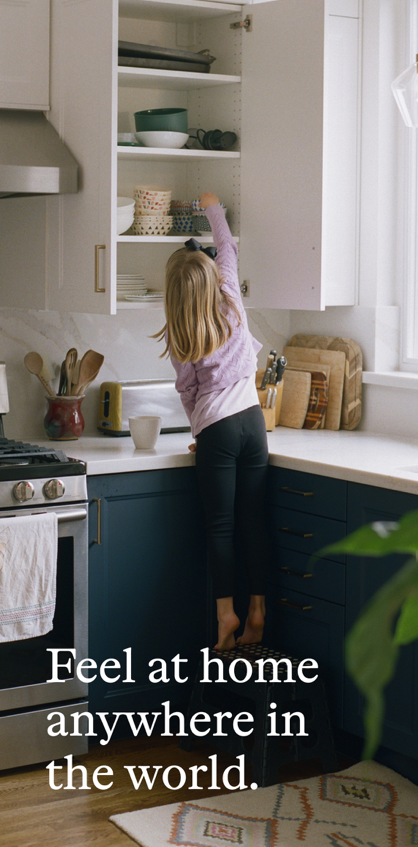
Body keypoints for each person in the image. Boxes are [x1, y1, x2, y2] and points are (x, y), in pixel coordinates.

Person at [154, 192, 269, 650]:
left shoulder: (182, 332)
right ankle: (258, 611)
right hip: (253, 423)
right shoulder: (231, 300)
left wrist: (201, 432)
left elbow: (188, 392)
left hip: (217, 431)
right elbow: (228, 248)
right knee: (254, 522)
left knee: (220, 526)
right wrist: (213, 208)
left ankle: (226, 615)